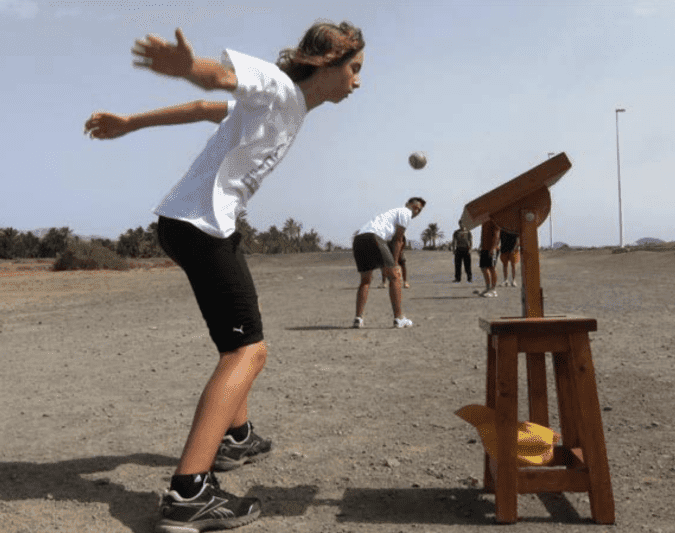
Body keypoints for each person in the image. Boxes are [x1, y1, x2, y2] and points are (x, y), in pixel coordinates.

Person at [84, 21, 365, 533]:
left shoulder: (284, 107)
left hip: (193, 222)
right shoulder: (279, 88)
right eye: (354, 68)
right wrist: (189, 68)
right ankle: (189, 492)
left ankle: (235, 436)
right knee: (248, 351)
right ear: (327, 62)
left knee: (238, 337)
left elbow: (201, 112)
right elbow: (215, 81)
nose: (358, 81)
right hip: (200, 224)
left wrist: (130, 122)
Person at [352, 198, 425, 328]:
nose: (417, 210)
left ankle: (358, 318)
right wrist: (395, 264)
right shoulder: (405, 212)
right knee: (395, 277)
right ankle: (399, 318)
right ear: (407, 205)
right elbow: (398, 240)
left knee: (365, 280)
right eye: (415, 206)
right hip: (374, 237)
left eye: (419, 210)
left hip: (359, 239)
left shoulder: (390, 214)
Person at [477, 220, 500, 297]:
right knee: (483, 267)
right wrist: (480, 246)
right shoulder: (484, 221)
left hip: (492, 248)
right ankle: (487, 288)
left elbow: (497, 235)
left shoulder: (494, 220)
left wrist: (493, 248)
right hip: (484, 248)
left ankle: (493, 290)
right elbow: (483, 235)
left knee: (492, 267)